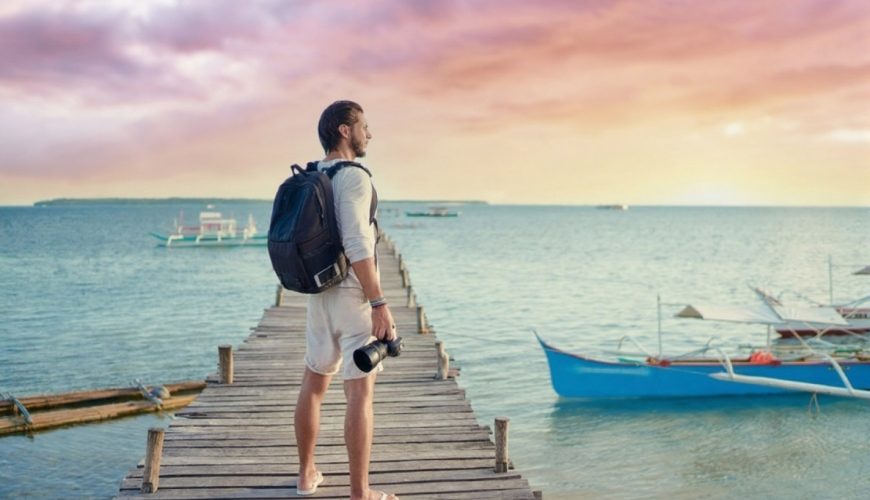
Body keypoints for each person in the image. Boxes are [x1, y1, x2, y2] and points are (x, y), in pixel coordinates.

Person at [294, 100, 399, 500]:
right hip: (353, 292)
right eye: (364, 126)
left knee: (314, 382)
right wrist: (378, 303)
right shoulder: (354, 177)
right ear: (343, 130)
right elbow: (357, 243)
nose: (369, 134)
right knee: (360, 392)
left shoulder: (315, 173)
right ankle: (361, 494)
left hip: (319, 292)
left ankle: (306, 476)